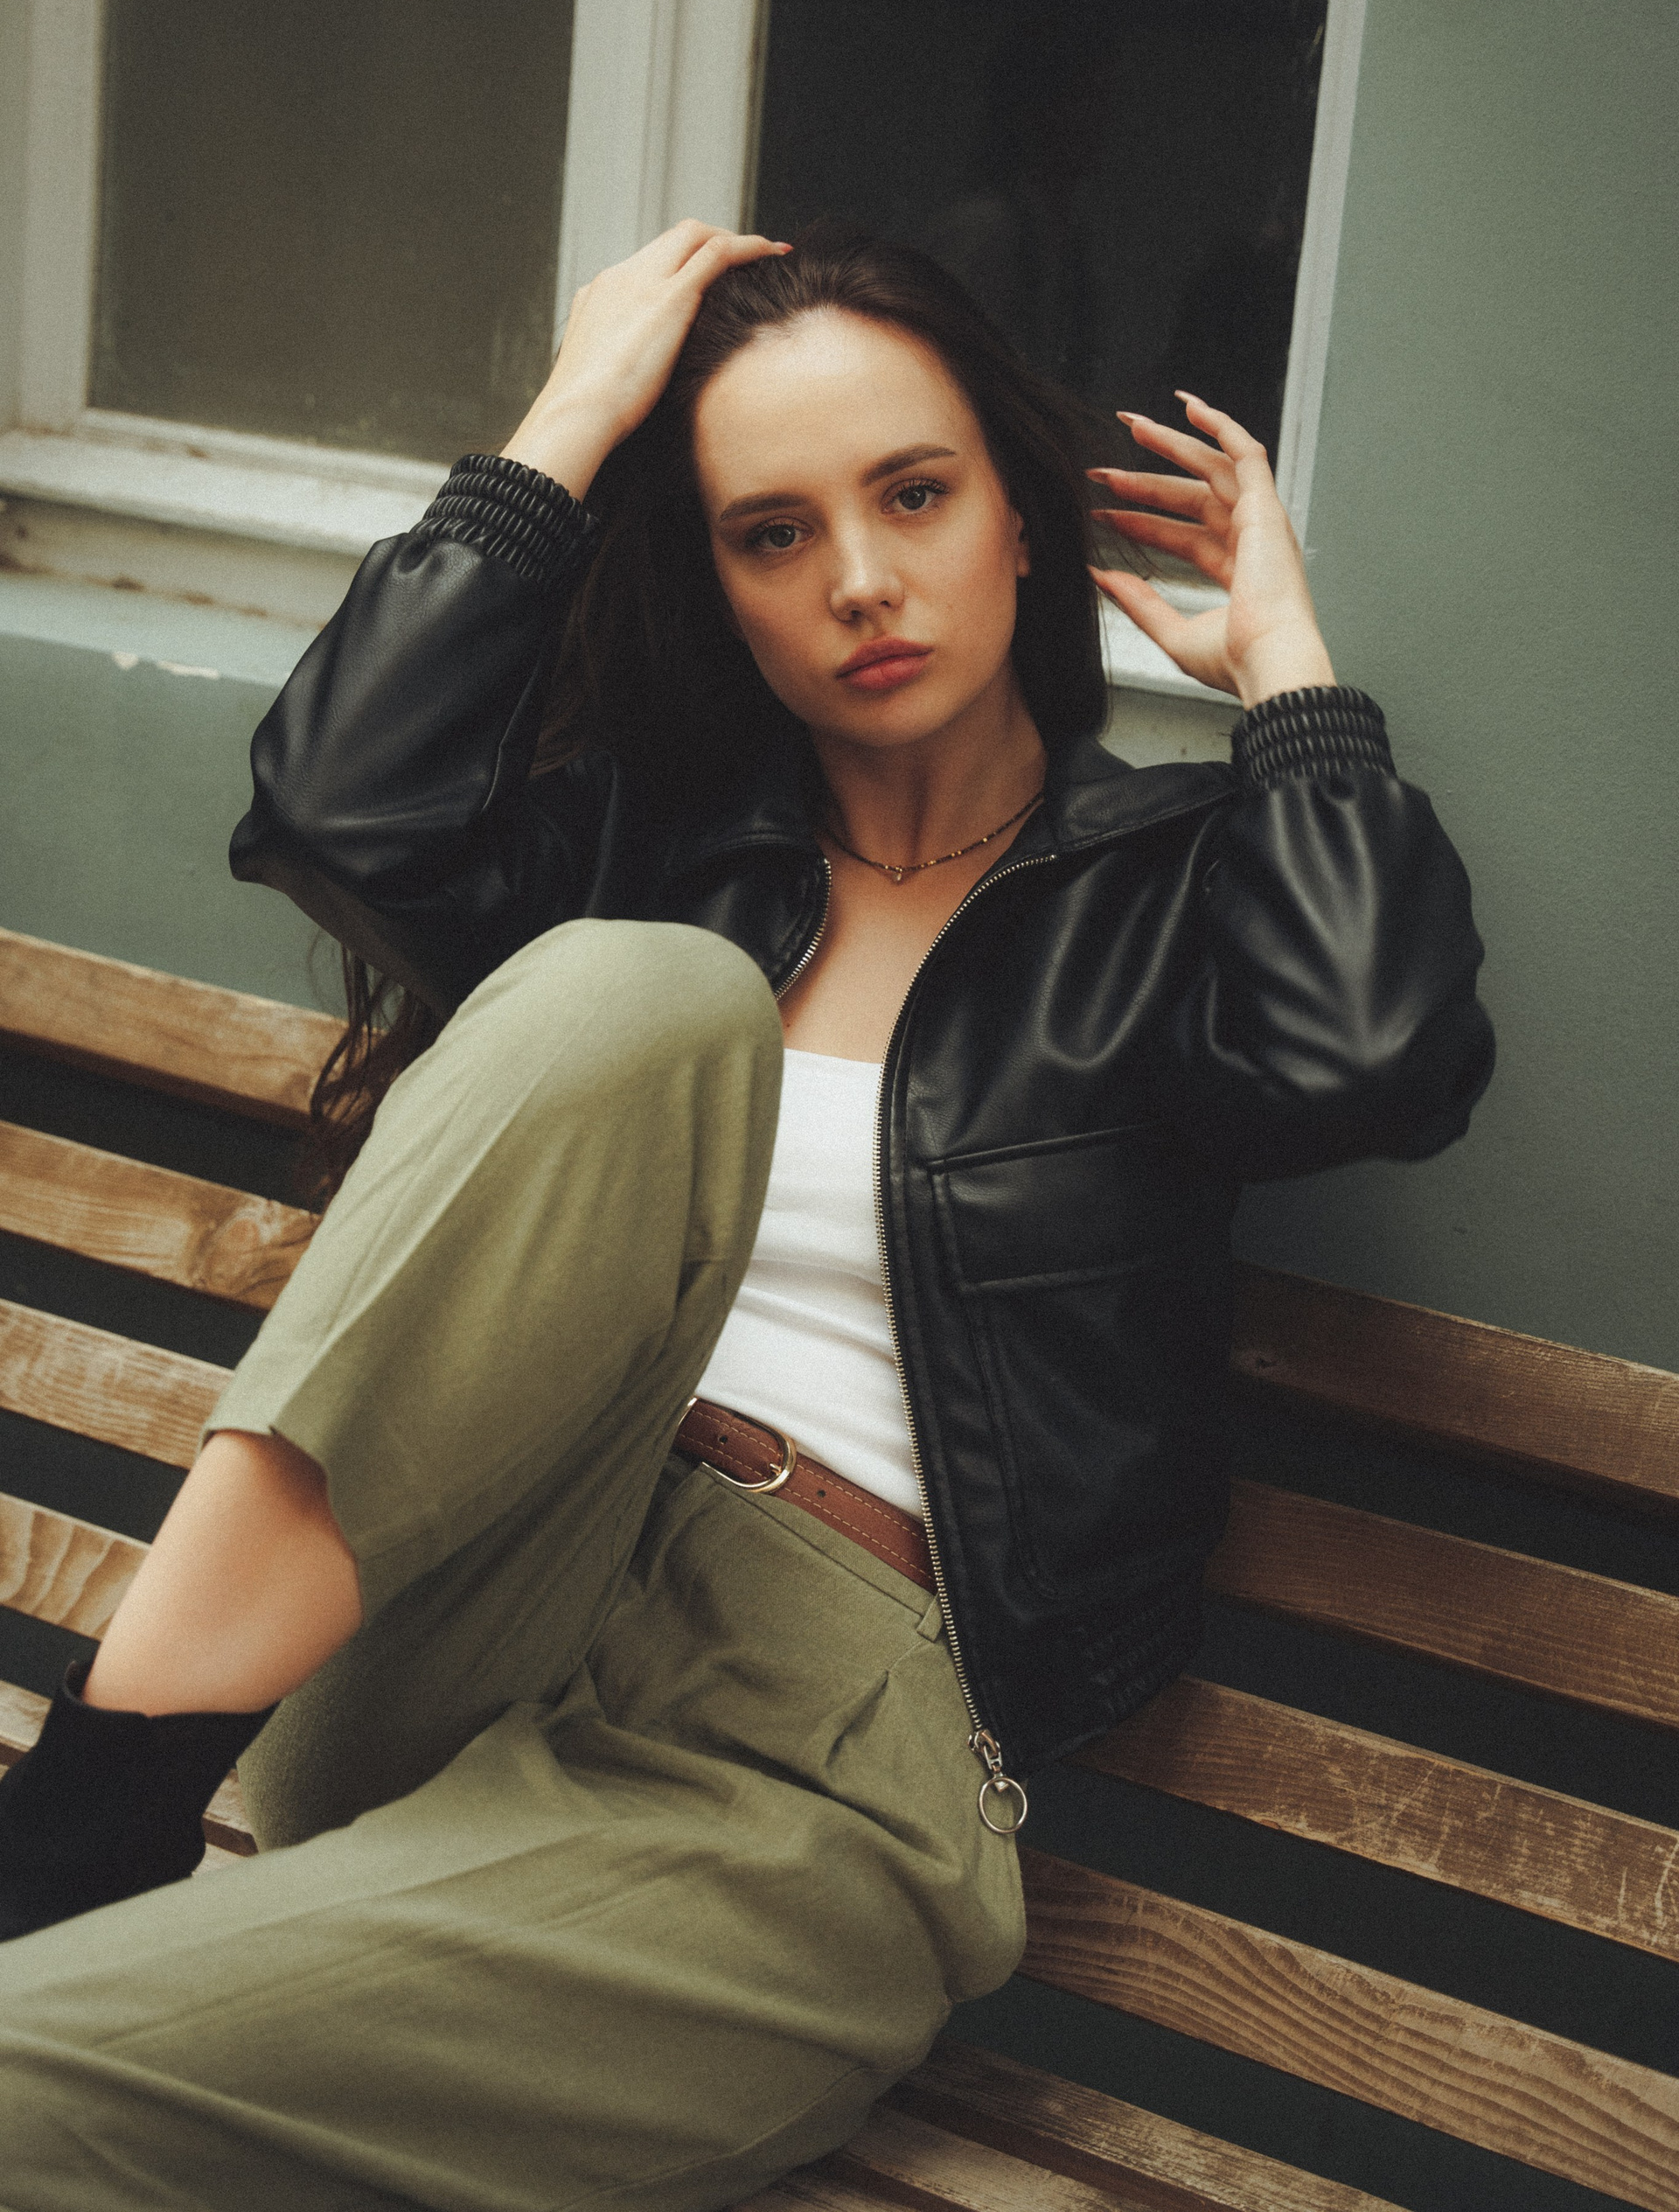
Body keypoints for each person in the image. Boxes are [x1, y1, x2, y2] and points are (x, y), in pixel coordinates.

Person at [0, 220, 1494, 2209]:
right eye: (772, 534)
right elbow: (342, 815)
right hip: (471, 1608)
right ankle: (92, 1810)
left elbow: (1375, 1055)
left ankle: (68, 1872)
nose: (859, 578)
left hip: (804, 1747)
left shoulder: (1165, 898)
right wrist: (562, 427)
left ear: (1022, 522)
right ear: (716, 582)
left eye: (915, 495)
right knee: (646, 994)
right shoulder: (655, 851)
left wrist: (1285, 668)